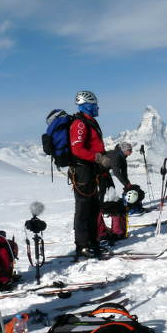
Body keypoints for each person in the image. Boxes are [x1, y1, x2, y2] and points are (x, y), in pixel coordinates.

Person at [69, 90, 105, 258]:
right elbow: (77, 149)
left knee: (93, 208)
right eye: (95, 104)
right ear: (88, 105)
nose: (97, 107)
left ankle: (93, 242)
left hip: (91, 171)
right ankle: (82, 246)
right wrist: (97, 157)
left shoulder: (90, 122)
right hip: (82, 171)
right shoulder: (80, 124)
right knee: (83, 209)